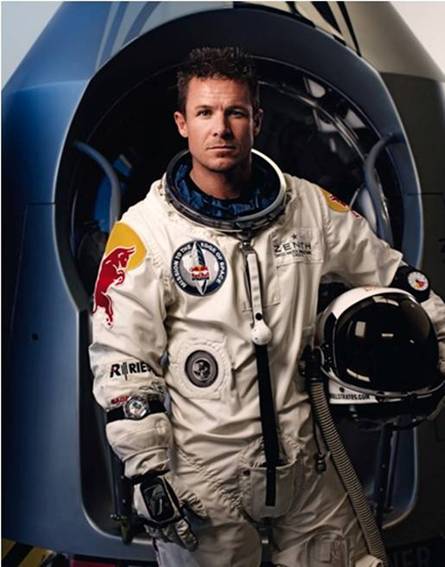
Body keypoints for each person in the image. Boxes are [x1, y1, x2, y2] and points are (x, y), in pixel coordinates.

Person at [89, 47, 445, 567]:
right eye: (205, 113)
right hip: (202, 475)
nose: (221, 128)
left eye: (235, 112)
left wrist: (438, 348)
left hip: (305, 462)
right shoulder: (147, 231)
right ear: (182, 124)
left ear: (256, 119)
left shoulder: (309, 210)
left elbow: (394, 277)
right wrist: (147, 469)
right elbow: (122, 354)